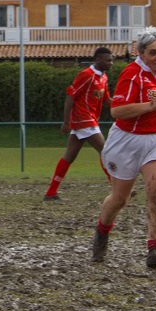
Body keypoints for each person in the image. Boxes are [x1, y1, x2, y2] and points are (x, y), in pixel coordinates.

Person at [91, 30, 156, 268]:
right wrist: (152, 105)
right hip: (127, 140)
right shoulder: (132, 74)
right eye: (152, 53)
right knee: (120, 198)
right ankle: (102, 232)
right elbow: (117, 111)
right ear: (141, 53)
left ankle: (155, 248)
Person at [45, 47, 114, 201]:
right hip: (84, 120)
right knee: (106, 151)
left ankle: (50, 193)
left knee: (69, 156)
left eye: (112, 60)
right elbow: (70, 96)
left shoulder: (103, 77)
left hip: (88, 121)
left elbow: (107, 99)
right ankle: (119, 190)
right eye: (108, 60)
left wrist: (124, 108)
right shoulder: (86, 75)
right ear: (98, 60)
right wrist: (66, 121)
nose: (111, 63)